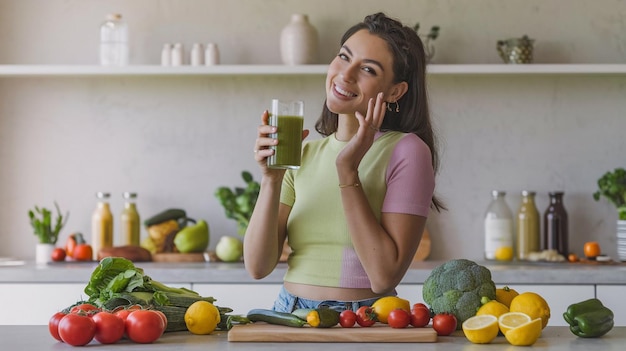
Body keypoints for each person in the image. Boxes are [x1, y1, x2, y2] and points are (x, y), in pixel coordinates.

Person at [245, 12, 444, 313]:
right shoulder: (303, 153)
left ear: (395, 91)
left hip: (362, 317)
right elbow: (258, 267)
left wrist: (348, 169)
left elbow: (383, 276)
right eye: (343, 57)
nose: (345, 74)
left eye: (367, 69)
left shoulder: (407, 151)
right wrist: (270, 179)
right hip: (289, 312)